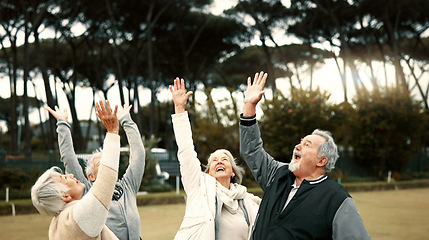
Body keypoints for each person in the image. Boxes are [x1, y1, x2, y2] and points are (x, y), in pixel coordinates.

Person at [239, 71, 371, 240]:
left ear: (322, 160)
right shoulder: (276, 175)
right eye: (300, 141)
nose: (298, 145)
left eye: (307, 144)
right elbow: (252, 151)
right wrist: (249, 106)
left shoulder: (337, 199)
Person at [169, 77, 261, 240]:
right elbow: (186, 152)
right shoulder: (198, 188)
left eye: (225, 159)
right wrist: (179, 109)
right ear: (208, 172)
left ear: (233, 171)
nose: (219, 161)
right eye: (214, 160)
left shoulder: (247, 201)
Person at [45, 102, 145, 240]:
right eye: (101, 164)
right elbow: (68, 157)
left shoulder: (128, 186)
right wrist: (62, 124)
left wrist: (126, 120)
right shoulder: (86, 194)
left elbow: (139, 155)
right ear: (90, 176)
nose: (108, 164)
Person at [31, 100, 120, 239]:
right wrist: (113, 132)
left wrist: (62, 123)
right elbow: (107, 178)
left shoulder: (57, 224)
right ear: (65, 196)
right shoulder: (79, 218)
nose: (70, 175)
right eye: (64, 178)